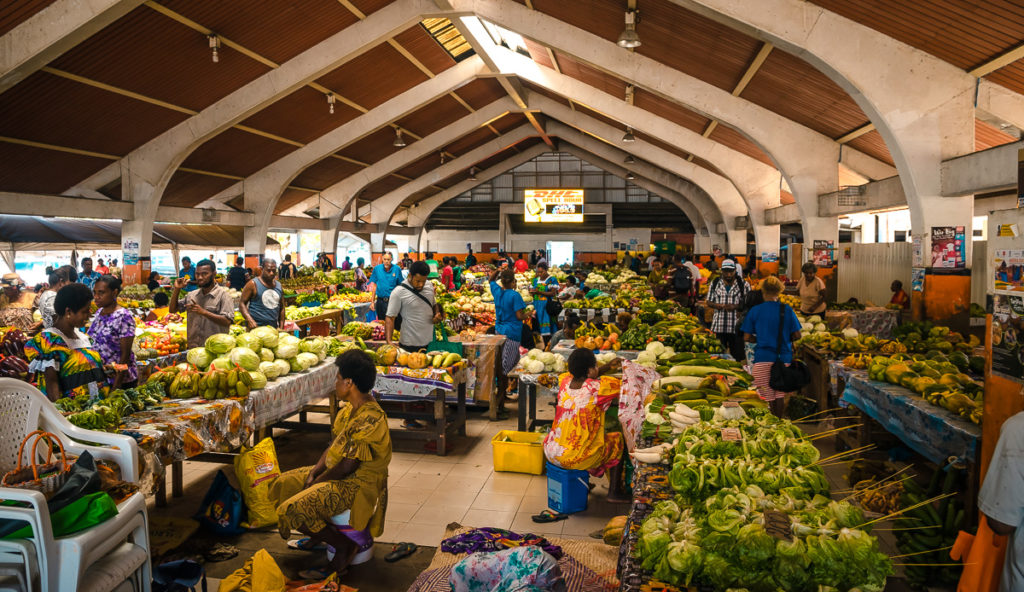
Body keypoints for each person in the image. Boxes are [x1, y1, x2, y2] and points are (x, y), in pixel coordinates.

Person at [271, 350, 391, 577]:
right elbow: (333, 445)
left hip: (356, 484)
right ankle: (319, 536)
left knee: (292, 510)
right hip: (338, 473)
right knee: (284, 484)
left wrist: (317, 482)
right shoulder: (348, 411)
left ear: (349, 382)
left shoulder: (371, 418)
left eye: (337, 379)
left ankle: (344, 547)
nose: (334, 384)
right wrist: (316, 471)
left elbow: (348, 466)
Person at [543, 349, 628, 502]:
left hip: (552, 452)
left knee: (580, 438)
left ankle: (582, 482)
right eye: (595, 366)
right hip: (576, 457)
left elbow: (587, 375)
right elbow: (627, 385)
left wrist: (607, 366)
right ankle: (614, 492)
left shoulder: (564, 380)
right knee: (617, 440)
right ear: (590, 370)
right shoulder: (599, 387)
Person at [25, 283, 108, 402]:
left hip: (94, 412)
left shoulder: (82, 337)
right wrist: (60, 416)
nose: (89, 315)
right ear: (68, 311)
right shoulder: (50, 340)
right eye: (85, 311)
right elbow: (51, 384)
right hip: (72, 414)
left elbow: (80, 369)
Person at [740, 276, 804, 417]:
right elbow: (798, 335)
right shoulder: (786, 310)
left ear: (763, 291)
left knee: (764, 396)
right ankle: (779, 423)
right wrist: (782, 338)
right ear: (779, 291)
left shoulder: (755, 311)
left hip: (762, 358)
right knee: (779, 395)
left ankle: (768, 424)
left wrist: (762, 339)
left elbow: (747, 337)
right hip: (783, 358)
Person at [490, 268, 531, 420]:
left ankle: (501, 403)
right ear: (513, 282)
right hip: (511, 335)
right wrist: (529, 314)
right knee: (505, 372)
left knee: (500, 368)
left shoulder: (497, 291)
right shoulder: (515, 295)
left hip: (498, 332)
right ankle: (497, 408)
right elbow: (519, 316)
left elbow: (490, 280)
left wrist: (497, 270)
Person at [169, 259, 234, 348]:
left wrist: (204, 312)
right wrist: (177, 289)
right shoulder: (192, 295)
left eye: (204, 274)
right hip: (193, 347)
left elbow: (227, 321)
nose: (199, 277)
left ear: (214, 274)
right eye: (197, 274)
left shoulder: (223, 295)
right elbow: (172, 310)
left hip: (215, 349)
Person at [87, 275, 137, 390]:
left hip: (120, 381)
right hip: (102, 379)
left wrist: (117, 385)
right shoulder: (100, 312)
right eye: (94, 293)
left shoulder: (123, 316)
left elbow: (125, 355)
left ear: (114, 293)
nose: (96, 297)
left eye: (101, 293)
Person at [385, 261, 442, 353]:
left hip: (431, 342)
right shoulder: (398, 292)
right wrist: (389, 341)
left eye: (423, 281)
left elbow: (433, 303)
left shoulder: (429, 285)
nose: (421, 285)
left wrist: (437, 313)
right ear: (410, 276)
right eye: (418, 281)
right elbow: (390, 317)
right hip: (409, 345)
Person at [706, 259, 748, 361]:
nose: (728, 274)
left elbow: (748, 304)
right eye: (726, 272)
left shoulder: (743, 285)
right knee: (718, 356)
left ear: (735, 270)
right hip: (719, 326)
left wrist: (735, 307)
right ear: (722, 271)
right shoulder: (715, 283)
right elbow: (709, 301)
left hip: (736, 327)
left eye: (731, 271)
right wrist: (717, 305)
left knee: (737, 357)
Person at [240, 259, 284, 330]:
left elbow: (282, 308)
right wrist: (249, 319)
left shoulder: (279, 286)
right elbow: (242, 303)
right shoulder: (253, 284)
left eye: (274, 270)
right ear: (262, 269)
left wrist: (281, 328)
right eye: (268, 270)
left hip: (273, 330)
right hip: (255, 329)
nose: (272, 273)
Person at [33, 266, 77, 332]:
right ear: (61, 281)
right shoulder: (53, 297)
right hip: (58, 334)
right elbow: (57, 320)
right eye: (68, 282)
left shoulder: (46, 294)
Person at [368, 253, 403, 322]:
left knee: (395, 322)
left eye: (388, 259)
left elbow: (400, 286)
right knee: (382, 323)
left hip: (393, 301)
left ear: (391, 259)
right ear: (382, 259)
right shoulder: (377, 269)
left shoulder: (397, 269)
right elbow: (374, 286)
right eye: (385, 259)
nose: (386, 261)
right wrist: (372, 302)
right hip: (380, 302)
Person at [531, 262, 559, 345]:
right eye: (538, 272)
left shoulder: (552, 280)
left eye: (541, 272)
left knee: (547, 328)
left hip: (547, 306)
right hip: (537, 306)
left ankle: (549, 345)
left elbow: (553, 293)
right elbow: (534, 291)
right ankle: (540, 346)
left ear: (546, 270)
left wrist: (539, 292)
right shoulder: (535, 280)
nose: (539, 274)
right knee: (537, 328)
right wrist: (533, 292)